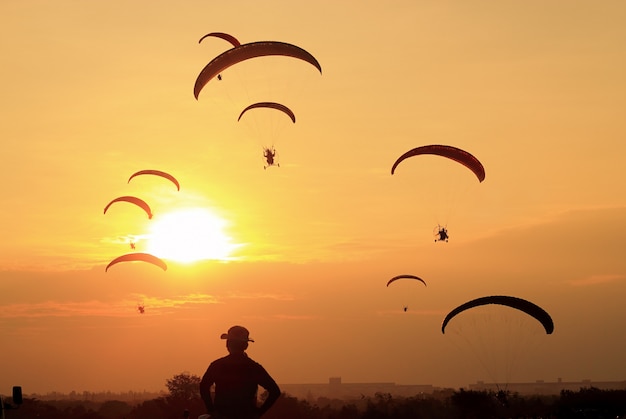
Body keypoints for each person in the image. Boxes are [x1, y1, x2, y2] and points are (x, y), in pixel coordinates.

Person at [199, 325, 281, 419]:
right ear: (246, 346)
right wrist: (258, 413)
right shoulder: (254, 367)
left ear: (228, 344)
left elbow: (204, 386)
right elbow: (275, 391)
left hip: (222, 415)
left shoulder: (217, 365)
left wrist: (211, 410)